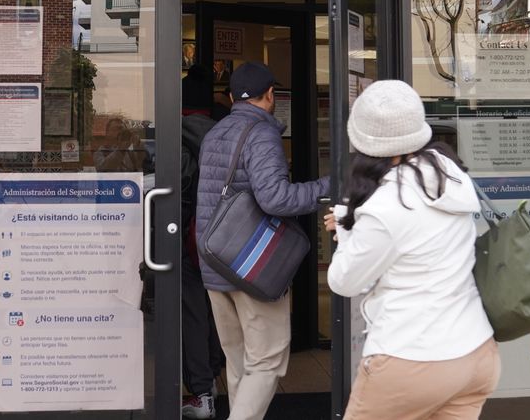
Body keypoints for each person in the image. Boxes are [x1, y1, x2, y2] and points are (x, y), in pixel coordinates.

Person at [324, 80, 499, 420]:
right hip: (476, 353)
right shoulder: (450, 173)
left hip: (412, 358)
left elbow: (344, 281)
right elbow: (418, 233)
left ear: (363, 142)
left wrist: (347, 231)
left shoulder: (384, 208)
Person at [195, 62, 330, 420]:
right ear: (271, 94)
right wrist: (330, 186)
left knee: (239, 360)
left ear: (231, 97)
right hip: (251, 265)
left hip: (216, 260)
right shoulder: (262, 134)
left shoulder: (215, 132)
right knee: (267, 360)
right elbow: (276, 199)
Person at [180, 65, 225, 419]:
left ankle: (202, 393)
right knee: (216, 308)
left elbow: (177, 188)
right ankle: (213, 374)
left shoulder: (176, 135)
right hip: (225, 237)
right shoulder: (226, 133)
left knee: (192, 312)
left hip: (188, 237)